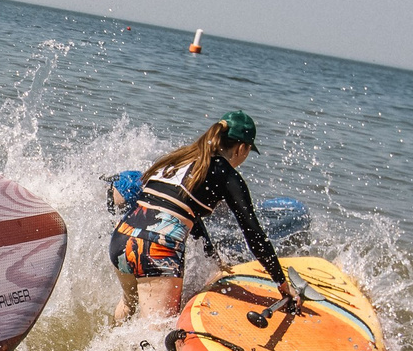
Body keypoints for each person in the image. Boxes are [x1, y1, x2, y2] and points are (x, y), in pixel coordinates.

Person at [107, 111, 292, 324]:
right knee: (155, 332)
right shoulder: (227, 174)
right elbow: (254, 234)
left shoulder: (180, 158)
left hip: (122, 236)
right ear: (242, 148)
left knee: (130, 304)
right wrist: (282, 284)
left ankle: (104, 348)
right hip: (156, 247)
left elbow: (184, 214)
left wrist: (212, 258)